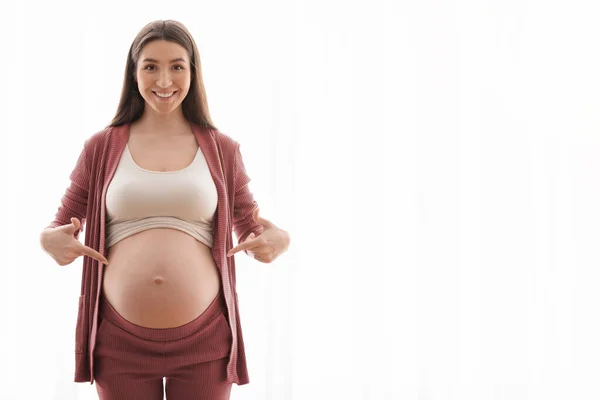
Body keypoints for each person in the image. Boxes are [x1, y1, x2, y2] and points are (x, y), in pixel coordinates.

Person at [39, 19, 290, 400]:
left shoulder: (222, 150)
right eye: (150, 66)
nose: (164, 80)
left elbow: (251, 225)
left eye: (177, 66)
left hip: (205, 341)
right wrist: (49, 242)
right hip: (119, 342)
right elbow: (60, 225)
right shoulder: (101, 148)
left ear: (193, 72)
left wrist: (279, 239)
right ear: (133, 72)